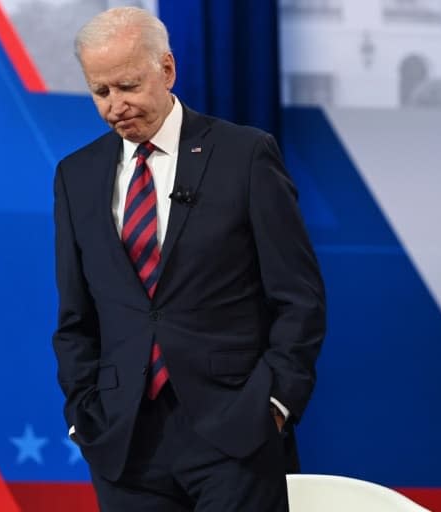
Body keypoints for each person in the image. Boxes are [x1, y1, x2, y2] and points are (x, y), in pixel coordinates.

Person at [52, 7, 326, 511]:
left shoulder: (244, 155)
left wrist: (275, 404)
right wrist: (83, 413)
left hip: (236, 432)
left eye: (128, 85)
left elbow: (299, 297)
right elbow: (76, 317)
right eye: (101, 92)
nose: (116, 106)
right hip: (124, 441)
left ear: (168, 69)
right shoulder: (76, 176)